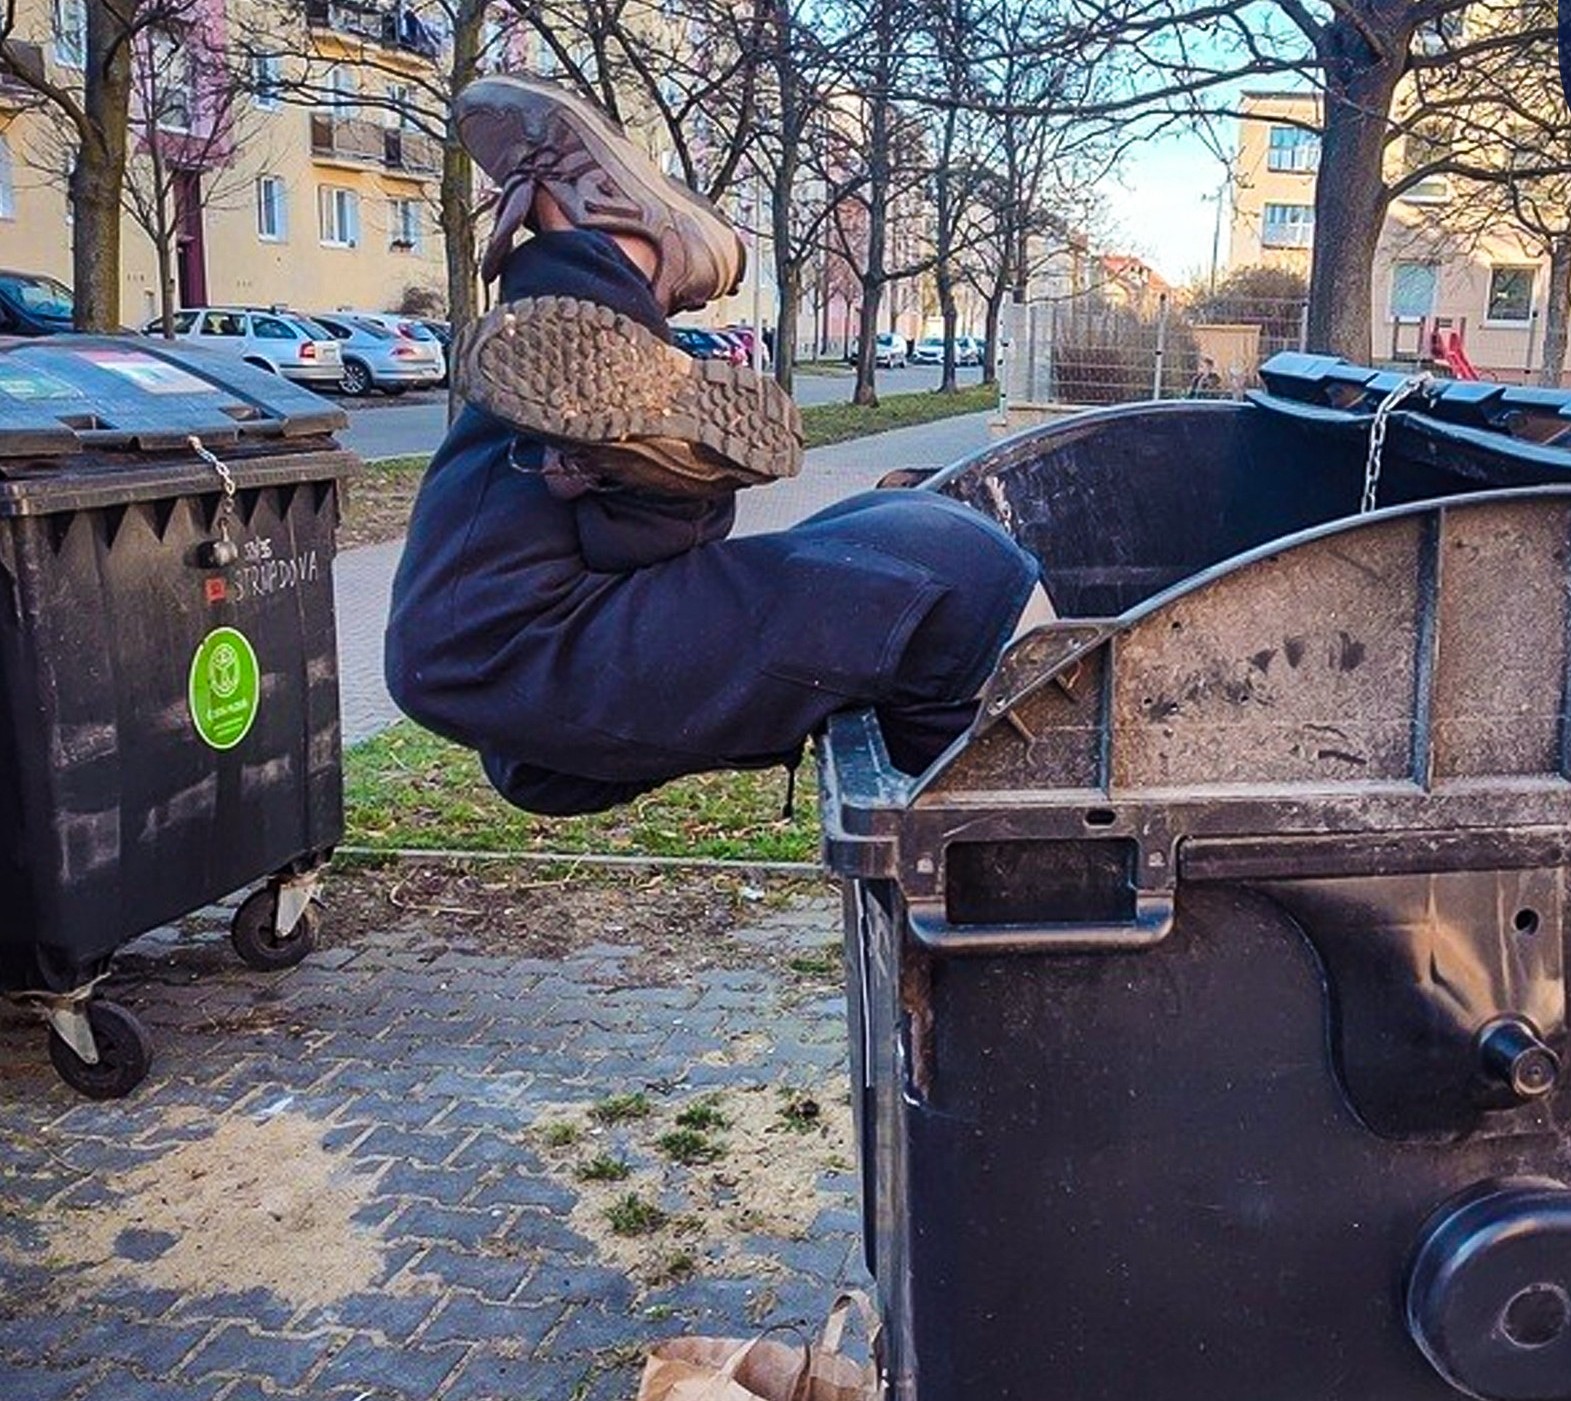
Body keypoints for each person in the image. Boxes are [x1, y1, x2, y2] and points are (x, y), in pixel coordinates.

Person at [384, 75, 1045, 817]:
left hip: (931, 583)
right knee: (499, 704)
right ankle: (616, 275)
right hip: (941, 592)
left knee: (495, 707)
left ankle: (628, 334)